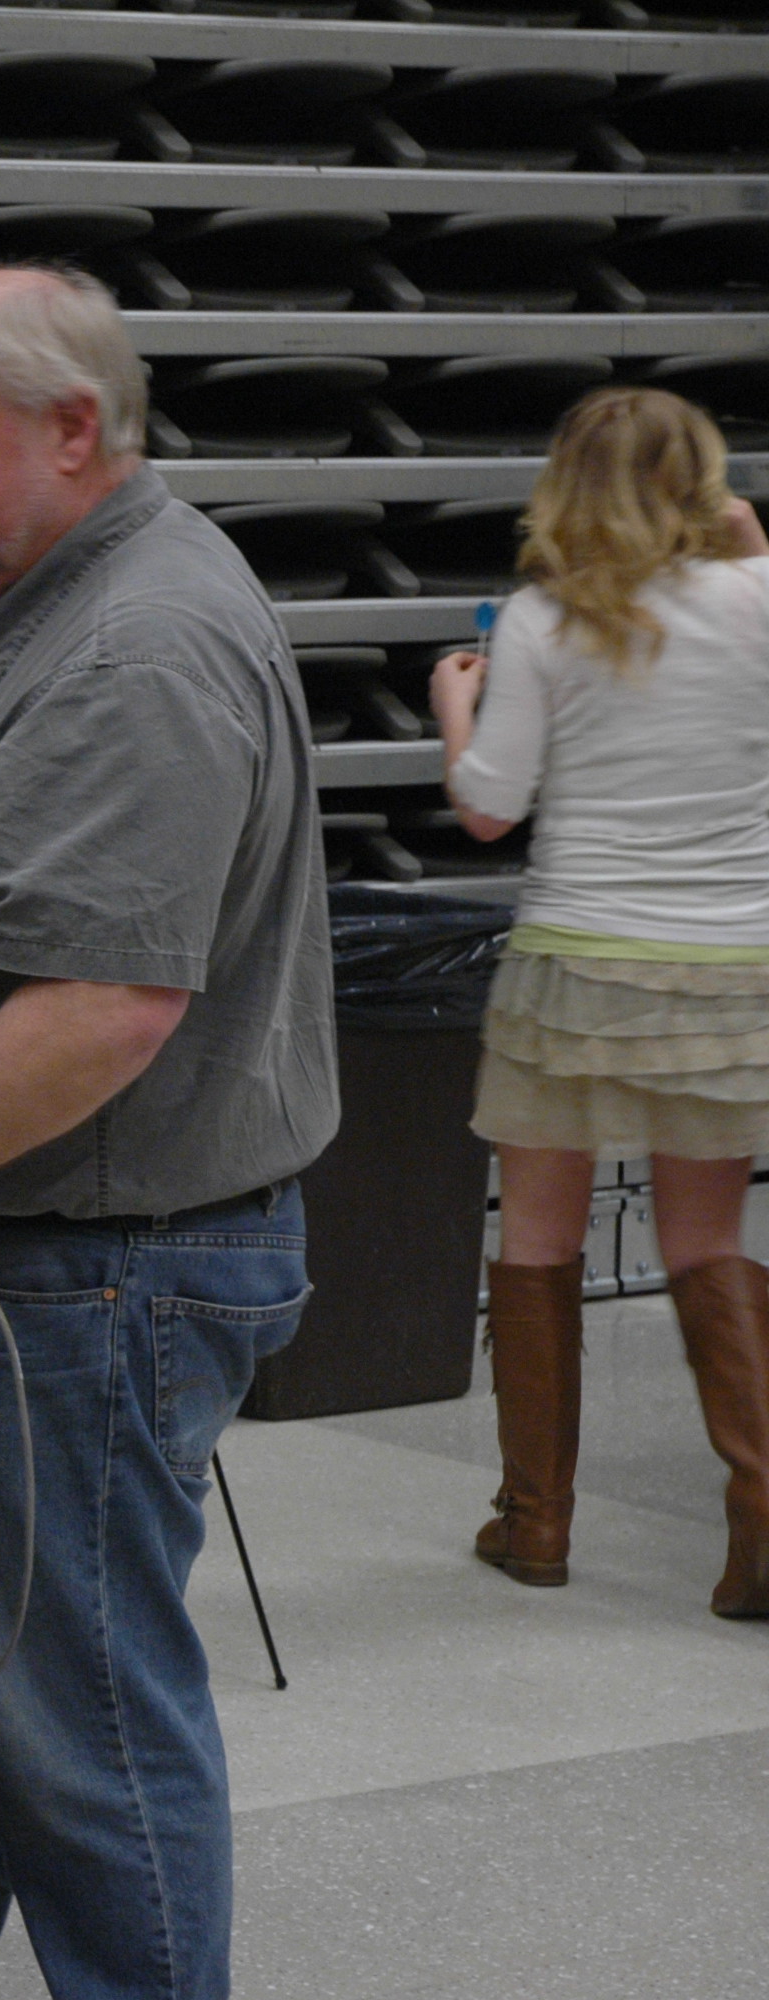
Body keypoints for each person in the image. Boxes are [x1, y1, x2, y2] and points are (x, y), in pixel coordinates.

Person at [0, 266, 338, 2000]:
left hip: (81, 1284)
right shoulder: (75, 618)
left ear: (72, 430)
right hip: (5, 1268)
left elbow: (105, 1001)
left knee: (79, 1741)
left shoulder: (139, 644)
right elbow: (37, 861)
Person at [430, 385, 769, 1615]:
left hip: (573, 963)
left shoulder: (536, 618)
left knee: (536, 1240)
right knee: (703, 1244)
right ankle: (762, 1520)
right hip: (731, 969)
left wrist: (451, 706)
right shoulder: (760, 599)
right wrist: (747, 544)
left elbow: (485, 807)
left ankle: (534, 1522)